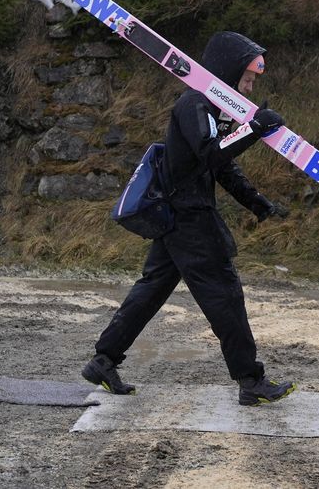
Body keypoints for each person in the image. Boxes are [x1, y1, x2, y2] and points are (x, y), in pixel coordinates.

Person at [82, 30, 295, 407]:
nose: (249, 86)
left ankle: (103, 360)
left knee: (151, 290)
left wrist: (257, 203)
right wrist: (254, 129)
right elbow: (212, 154)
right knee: (224, 295)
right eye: (247, 78)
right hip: (190, 221)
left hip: (179, 219)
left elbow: (221, 168)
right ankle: (250, 380)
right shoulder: (194, 105)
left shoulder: (212, 108)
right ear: (228, 72)